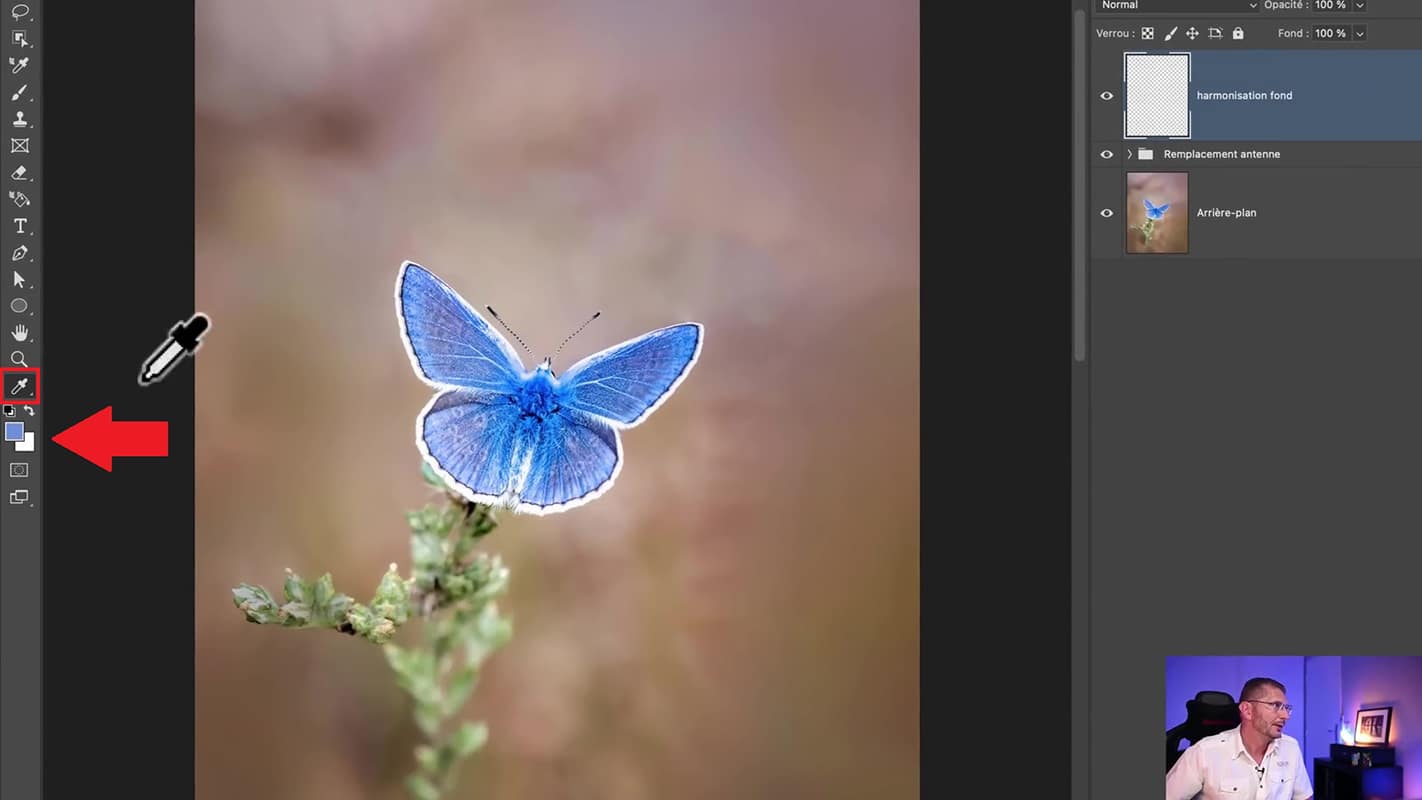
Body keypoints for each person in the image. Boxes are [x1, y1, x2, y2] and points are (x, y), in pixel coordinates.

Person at [1165, 677, 1313, 800]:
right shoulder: (1203, 753)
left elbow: (1304, 797)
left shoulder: (1291, 748)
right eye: (1276, 705)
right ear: (1247, 710)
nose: (1285, 716)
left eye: (1286, 708)